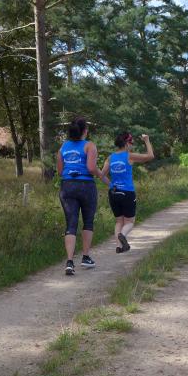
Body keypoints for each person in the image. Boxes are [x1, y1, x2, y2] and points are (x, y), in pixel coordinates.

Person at [56, 118, 109, 276]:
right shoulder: (89, 145)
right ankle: (85, 257)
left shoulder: (63, 147)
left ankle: (69, 262)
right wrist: (102, 176)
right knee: (88, 221)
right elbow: (91, 168)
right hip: (86, 186)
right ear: (85, 131)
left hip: (67, 186)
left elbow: (60, 171)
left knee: (71, 224)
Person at [101, 132, 154, 253]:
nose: (132, 145)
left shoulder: (110, 157)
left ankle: (119, 247)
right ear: (126, 144)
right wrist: (146, 140)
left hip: (113, 193)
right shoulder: (129, 156)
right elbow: (150, 156)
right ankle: (123, 235)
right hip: (127, 193)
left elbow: (101, 175)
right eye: (131, 143)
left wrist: (111, 185)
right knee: (129, 222)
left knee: (119, 221)